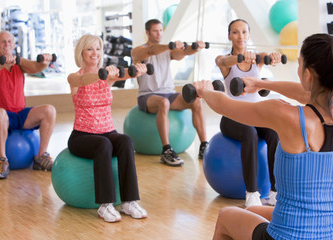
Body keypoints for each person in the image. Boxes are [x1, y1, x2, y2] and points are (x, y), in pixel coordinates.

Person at [194, 33, 333, 240]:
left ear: (308, 75)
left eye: (300, 65)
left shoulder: (288, 117)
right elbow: (309, 95)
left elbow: (224, 105)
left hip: (287, 236)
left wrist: (204, 91)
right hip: (326, 233)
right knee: (252, 212)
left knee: (226, 215)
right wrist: (261, 84)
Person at [67, 34, 148, 223]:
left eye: (98, 48)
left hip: (107, 131)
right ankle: (105, 205)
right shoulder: (74, 78)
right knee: (103, 144)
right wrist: (101, 73)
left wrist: (137, 69)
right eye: (89, 49)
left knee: (125, 140)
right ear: (81, 52)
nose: (95, 53)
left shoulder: (106, 76)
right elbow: (85, 80)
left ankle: (129, 201)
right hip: (82, 136)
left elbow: (126, 73)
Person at [215, 19, 281, 207]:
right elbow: (225, 60)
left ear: (249, 35)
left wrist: (273, 57)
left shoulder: (257, 58)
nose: (240, 36)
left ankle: (275, 191)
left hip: (254, 114)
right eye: (235, 32)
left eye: (244, 32)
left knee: (274, 132)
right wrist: (241, 57)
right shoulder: (224, 61)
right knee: (250, 133)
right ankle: (252, 193)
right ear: (229, 36)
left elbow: (268, 56)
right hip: (232, 116)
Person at [131, 19, 208, 167]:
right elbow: (151, 51)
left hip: (168, 93)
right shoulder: (138, 51)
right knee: (163, 102)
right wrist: (168, 46)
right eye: (155, 31)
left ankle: (204, 146)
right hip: (147, 96)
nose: (159, 33)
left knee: (196, 100)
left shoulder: (167, 51)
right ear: (147, 32)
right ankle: (166, 150)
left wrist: (195, 47)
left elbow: (183, 53)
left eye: (161, 30)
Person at [0, 30, 56, 179]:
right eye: (3, 41)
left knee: (49, 110)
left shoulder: (19, 62)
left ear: (14, 44)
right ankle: (3, 160)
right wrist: (3, 62)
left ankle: (40, 156)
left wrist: (45, 61)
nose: (7, 44)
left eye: (10, 41)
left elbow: (36, 67)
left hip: (19, 115)